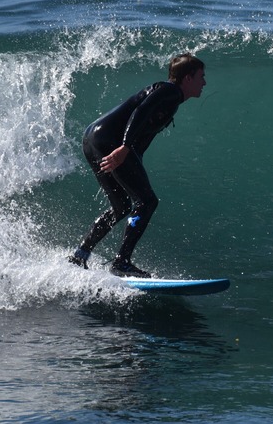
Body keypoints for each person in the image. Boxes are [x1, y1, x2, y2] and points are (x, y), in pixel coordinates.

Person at [68, 54, 207, 277]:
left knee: (122, 206)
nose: (205, 82)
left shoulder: (170, 96)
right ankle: (121, 262)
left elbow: (142, 139)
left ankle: (80, 255)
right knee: (147, 201)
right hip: (109, 140)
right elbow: (140, 112)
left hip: (94, 138)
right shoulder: (169, 90)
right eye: (201, 76)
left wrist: (131, 158)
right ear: (188, 78)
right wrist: (124, 148)